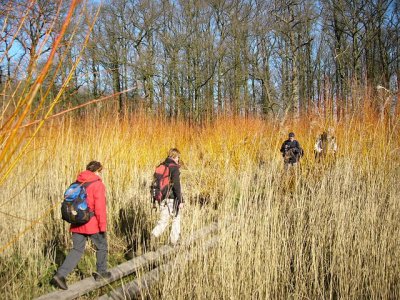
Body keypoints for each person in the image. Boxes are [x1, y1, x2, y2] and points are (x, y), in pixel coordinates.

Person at [51, 161, 111, 290]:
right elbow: (100, 208)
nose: (101, 174)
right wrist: (103, 227)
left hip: (77, 222)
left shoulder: (78, 182)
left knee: (77, 250)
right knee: (102, 246)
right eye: (101, 172)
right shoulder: (98, 184)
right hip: (91, 223)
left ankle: (60, 275)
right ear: (97, 171)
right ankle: (101, 273)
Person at [151, 148, 184, 247]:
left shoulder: (162, 165)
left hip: (161, 198)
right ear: (174, 156)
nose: (178, 159)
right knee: (176, 218)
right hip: (172, 198)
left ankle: (154, 235)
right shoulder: (174, 168)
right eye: (178, 157)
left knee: (163, 220)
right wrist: (181, 200)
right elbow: (177, 186)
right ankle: (174, 241)